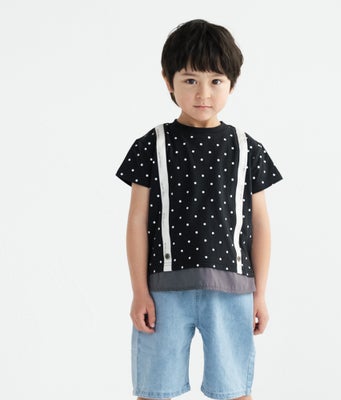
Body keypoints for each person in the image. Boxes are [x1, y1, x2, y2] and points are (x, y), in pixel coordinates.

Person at [116, 19, 283, 400]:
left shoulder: (248, 149)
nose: (203, 93)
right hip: (163, 291)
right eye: (190, 80)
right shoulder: (150, 146)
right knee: (153, 390)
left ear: (232, 84)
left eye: (216, 81)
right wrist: (139, 291)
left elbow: (260, 224)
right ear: (168, 80)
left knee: (236, 390)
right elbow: (137, 222)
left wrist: (260, 294)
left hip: (233, 291)